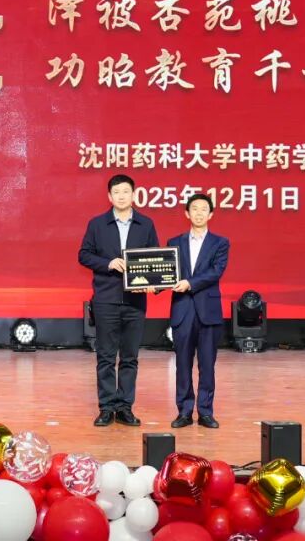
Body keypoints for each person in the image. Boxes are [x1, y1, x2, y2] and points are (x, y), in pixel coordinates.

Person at [79, 174, 159, 427]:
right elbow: (84, 255)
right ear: (109, 196)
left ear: (134, 194)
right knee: (105, 356)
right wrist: (108, 263)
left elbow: (156, 259)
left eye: (126, 191)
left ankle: (125, 407)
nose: (122, 196)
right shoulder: (97, 224)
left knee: (130, 357)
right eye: (117, 192)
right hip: (106, 299)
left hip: (135, 302)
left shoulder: (146, 224)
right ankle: (106, 407)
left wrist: (154, 284)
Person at [166, 193, 230, 429]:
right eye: (195, 209)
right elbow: (167, 272)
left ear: (211, 214)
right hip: (182, 310)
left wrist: (189, 283)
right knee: (182, 365)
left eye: (204, 209)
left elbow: (216, 272)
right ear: (187, 213)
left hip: (208, 311)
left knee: (207, 365)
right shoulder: (174, 242)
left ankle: (205, 412)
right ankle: (184, 412)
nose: (199, 213)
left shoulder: (220, 243)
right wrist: (152, 284)